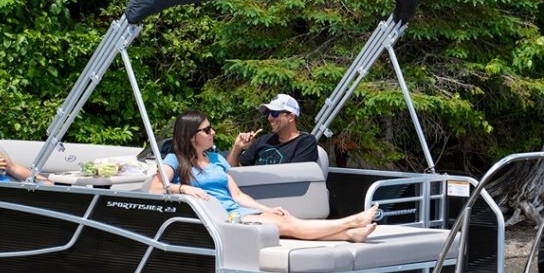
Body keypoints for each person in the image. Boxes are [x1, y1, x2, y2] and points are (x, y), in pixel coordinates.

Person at [149, 111, 377, 242]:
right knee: (288, 224)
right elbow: (156, 188)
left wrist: (267, 208)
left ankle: (350, 235)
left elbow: (238, 195)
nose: (213, 132)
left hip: (237, 212)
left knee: (285, 221)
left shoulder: (217, 159)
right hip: (219, 219)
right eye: (207, 130)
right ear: (191, 136)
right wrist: (184, 188)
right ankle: (351, 222)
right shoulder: (175, 160)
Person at [229, 94, 319, 167]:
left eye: (274, 113)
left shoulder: (305, 142)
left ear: (290, 117)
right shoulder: (263, 141)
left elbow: (295, 177)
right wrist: (237, 147)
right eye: (268, 113)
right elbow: (231, 171)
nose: (269, 118)